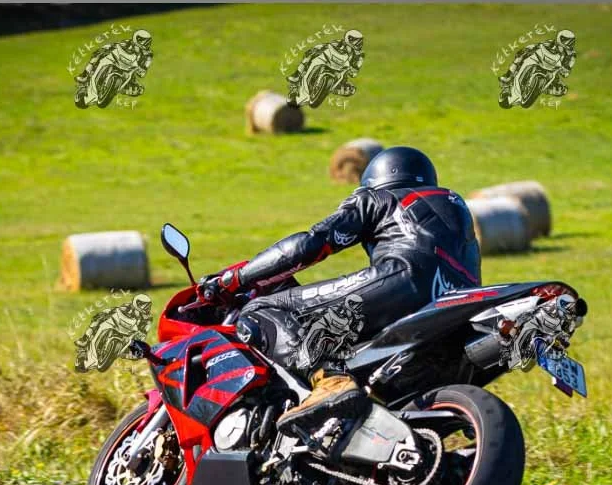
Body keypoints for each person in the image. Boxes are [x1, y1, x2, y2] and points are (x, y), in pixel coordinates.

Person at [198, 147, 481, 433]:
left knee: (261, 309)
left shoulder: (378, 197)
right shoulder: (456, 204)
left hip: (402, 282)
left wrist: (236, 277)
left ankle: (330, 380)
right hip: (458, 300)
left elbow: (310, 244)